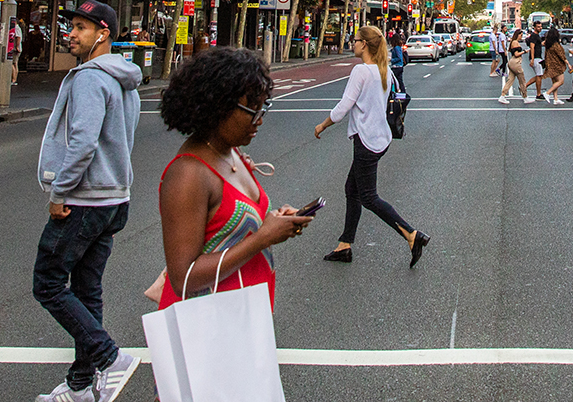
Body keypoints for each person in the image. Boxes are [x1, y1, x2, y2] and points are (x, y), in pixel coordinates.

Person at [33, 1, 144, 402]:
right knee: (85, 289)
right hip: (115, 196)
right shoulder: (123, 79)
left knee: (47, 283)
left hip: (85, 198)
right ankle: (82, 385)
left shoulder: (89, 79)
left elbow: (82, 141)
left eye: (81, 27)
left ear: (103, 33)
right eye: (71, 26)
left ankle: (109, 357)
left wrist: (60, 191)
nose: (71, 33)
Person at [158, 47, 307, 316]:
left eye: (263, 107)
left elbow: (228, 229)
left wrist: (275, 222)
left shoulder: (231, 152)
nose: (259, 119)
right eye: (251, 109)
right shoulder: (188, 173)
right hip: (209, 324)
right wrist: (262, 238)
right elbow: (183, 278)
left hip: (244, 312)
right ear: (218, 105)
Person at [316, 26, 428, 266]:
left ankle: (411, 234)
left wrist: (323, 125)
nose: (352, 44)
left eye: (355, 40)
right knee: (352, 189)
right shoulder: (383, 70)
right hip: (381, 138)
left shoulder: (361, 71)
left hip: (365, 140)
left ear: (364, 44)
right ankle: (344, 245)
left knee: (368, 197)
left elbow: (344, 106)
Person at [499, 29, 533, 104]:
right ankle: (525, 97)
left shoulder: (513, 42)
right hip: (515, 62)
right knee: (522, 80)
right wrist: (524, 51)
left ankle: (502, 96)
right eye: (521, 35)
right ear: (517, 35)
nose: (521, 37)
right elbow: (516, 54)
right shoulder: (515, 42)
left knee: (510, 80)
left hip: (512, 62)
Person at [539, 26, 568, 105]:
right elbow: (561, 55)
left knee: (555, 82)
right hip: (557, 65)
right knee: (561, 81)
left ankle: (555, 99)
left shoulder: (548, 44)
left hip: (550, 64)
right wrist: (568, 63)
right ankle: (547, 93)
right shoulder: (555, 45)